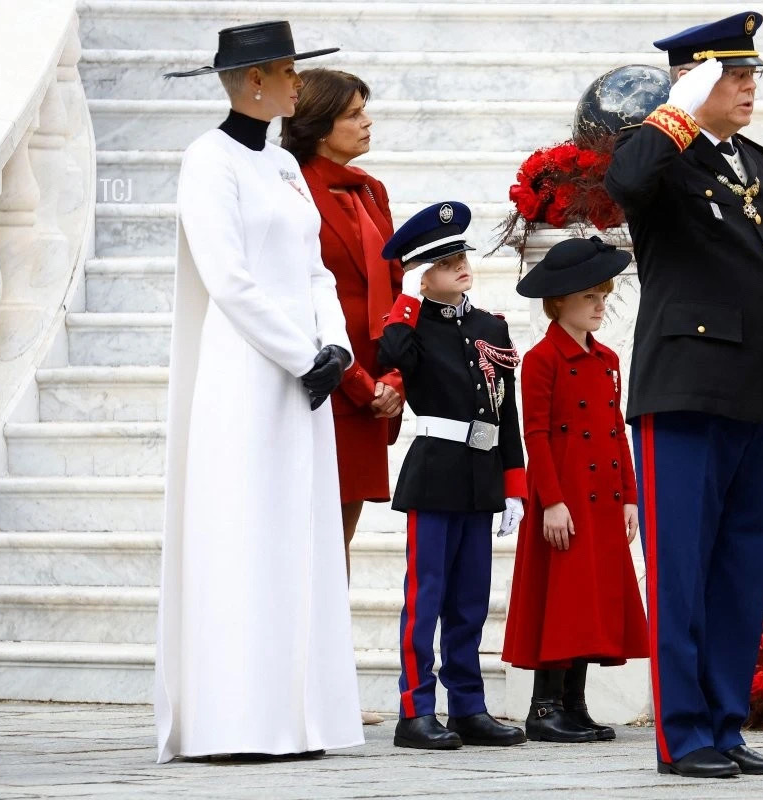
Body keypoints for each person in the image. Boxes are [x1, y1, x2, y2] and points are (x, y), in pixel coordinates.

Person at [603, 10, 763, 780]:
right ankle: (683, 735)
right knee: (682, 570)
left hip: (755, 391)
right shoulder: (659, 152)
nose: (749, 86)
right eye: (733, 74)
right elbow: (624, 185)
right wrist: (676, 109)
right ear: (695, 81)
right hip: (685, 390)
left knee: (740, 571)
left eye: (752, 73)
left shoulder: (755, 162)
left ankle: (724, 723)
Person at [156, 21, 363, 762]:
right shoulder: (207, 160)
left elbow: (314, 268)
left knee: (299, 535)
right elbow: (229, 278)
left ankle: (300, 720)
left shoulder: (279, 163)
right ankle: (234, 722)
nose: (298, 84)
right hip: (245, 372)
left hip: (305, 375)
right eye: (288, 72)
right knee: (241, 532)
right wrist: (301, 353)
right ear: (253, 81)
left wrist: (334, 345)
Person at [377, 201, 528, 750]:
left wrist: (514, 484)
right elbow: (391, 354)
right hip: (435, 473)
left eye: (461, 256)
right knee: (426, 598)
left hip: (480, 476)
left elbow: (506, 413)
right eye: (444, 263)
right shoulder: (411, 326)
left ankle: (467, 706)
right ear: (423, 275)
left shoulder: (491, 327)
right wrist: (407, 299)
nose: (461, 266)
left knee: (470, 601)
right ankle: (415, 710)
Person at [281, 71, 403, 727]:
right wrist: (357, 382)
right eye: (354, 113)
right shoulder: (290, 186)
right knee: (307, 539)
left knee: (339, 539)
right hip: (320, 382)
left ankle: (328, 688)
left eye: (365, 111)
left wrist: (397, 378)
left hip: (374, 386)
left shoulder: (372, 190)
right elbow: (297, 299)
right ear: (319, 123)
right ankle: (294, 687)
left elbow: (398, 291)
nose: (366, 122)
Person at [502, 236, 650, 744]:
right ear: (560, 300)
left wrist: (630, 497)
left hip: (603, 496)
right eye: (590, 296)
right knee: (561, 596)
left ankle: (574, 704)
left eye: (603, 295)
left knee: (590, 598)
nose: (600, 305)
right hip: (564, 497)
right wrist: (552, 502)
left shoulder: (607, 358)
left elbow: (615, 430)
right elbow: (535, 434)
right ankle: (544, 708)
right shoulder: (542, 358)